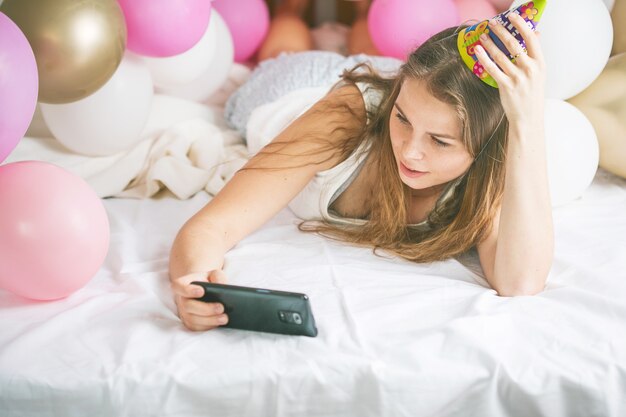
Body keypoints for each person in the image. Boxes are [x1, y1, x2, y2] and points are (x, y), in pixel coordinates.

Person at [169, 12, 553, 331]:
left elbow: (520, 282)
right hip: (291, 85)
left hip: (402, 85)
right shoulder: (346, 116)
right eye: (402, 120)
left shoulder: (488, 161)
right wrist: (195, 283)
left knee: (363, 35)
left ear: (484, 147)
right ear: (397, 99)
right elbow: (210, 227)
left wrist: (527, 122)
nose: (412, 152)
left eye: (439, 141)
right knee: (286, 34)